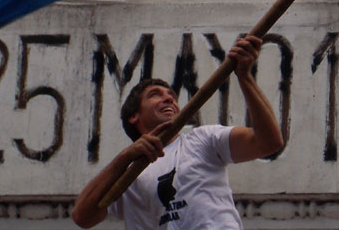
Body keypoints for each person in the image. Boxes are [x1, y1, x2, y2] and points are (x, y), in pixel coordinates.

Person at [72, 34, 283, 229]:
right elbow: (82, 217)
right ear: (134, 116)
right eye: (155, 95)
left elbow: (269, 143)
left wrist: (244, 76)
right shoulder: (127, 176)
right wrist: (125, 157)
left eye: (172, 95)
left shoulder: (204, 139)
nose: (169, 99)